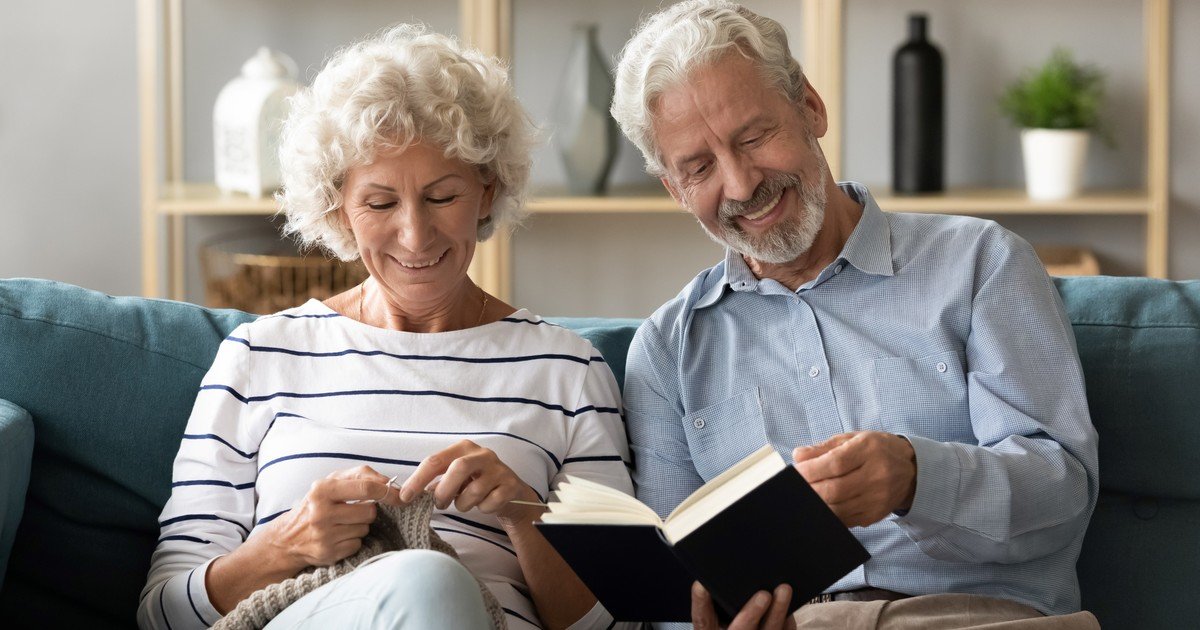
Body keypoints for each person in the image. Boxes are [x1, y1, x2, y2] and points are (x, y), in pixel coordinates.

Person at [610, 2, 1100, 629]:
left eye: (755, 137)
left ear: (810, 107)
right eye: (699, 168)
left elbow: (1064, 496)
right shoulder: (668, 347)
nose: (738, 185)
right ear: (674, 189)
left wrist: (917, 478)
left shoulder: (980, 262)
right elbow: (675, 592)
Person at [138, 24, 633, 630]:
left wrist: (522, 516)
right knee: (425, 578)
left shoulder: (571, 372)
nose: (415, 235)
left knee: (433, 581)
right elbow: (165, 615)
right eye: (379, 204)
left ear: (487, 191)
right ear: (336, 207)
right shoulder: (259, 357)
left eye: (441, 197)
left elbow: (623, 618)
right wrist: (286, 546)